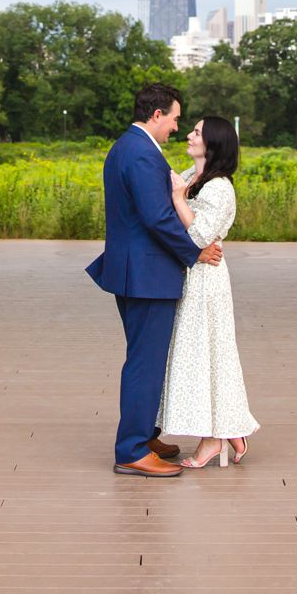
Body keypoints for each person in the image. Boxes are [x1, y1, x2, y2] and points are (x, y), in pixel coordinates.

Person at [85, 82, 224, 476]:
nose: (177, 128)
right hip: (146, 274)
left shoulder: (129, 147)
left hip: (136, 271)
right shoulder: (142, 153)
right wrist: (194, 252)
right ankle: (131, 449)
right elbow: (157, 217)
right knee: (145, 364)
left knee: (146, 359)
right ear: (157, 114)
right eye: (176, 119)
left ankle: (144, 435)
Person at [158, 115, 258, 468]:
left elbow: (200, 237)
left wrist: (178, 199)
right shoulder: (188, 177)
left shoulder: (219, 188)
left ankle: (213, 440)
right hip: (188, 273)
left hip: (207, 278)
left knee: (207, 353)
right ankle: (228, 429)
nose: (189, 134)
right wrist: (177, 194)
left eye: (197, 132)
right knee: (198, 353)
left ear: (212, 144)